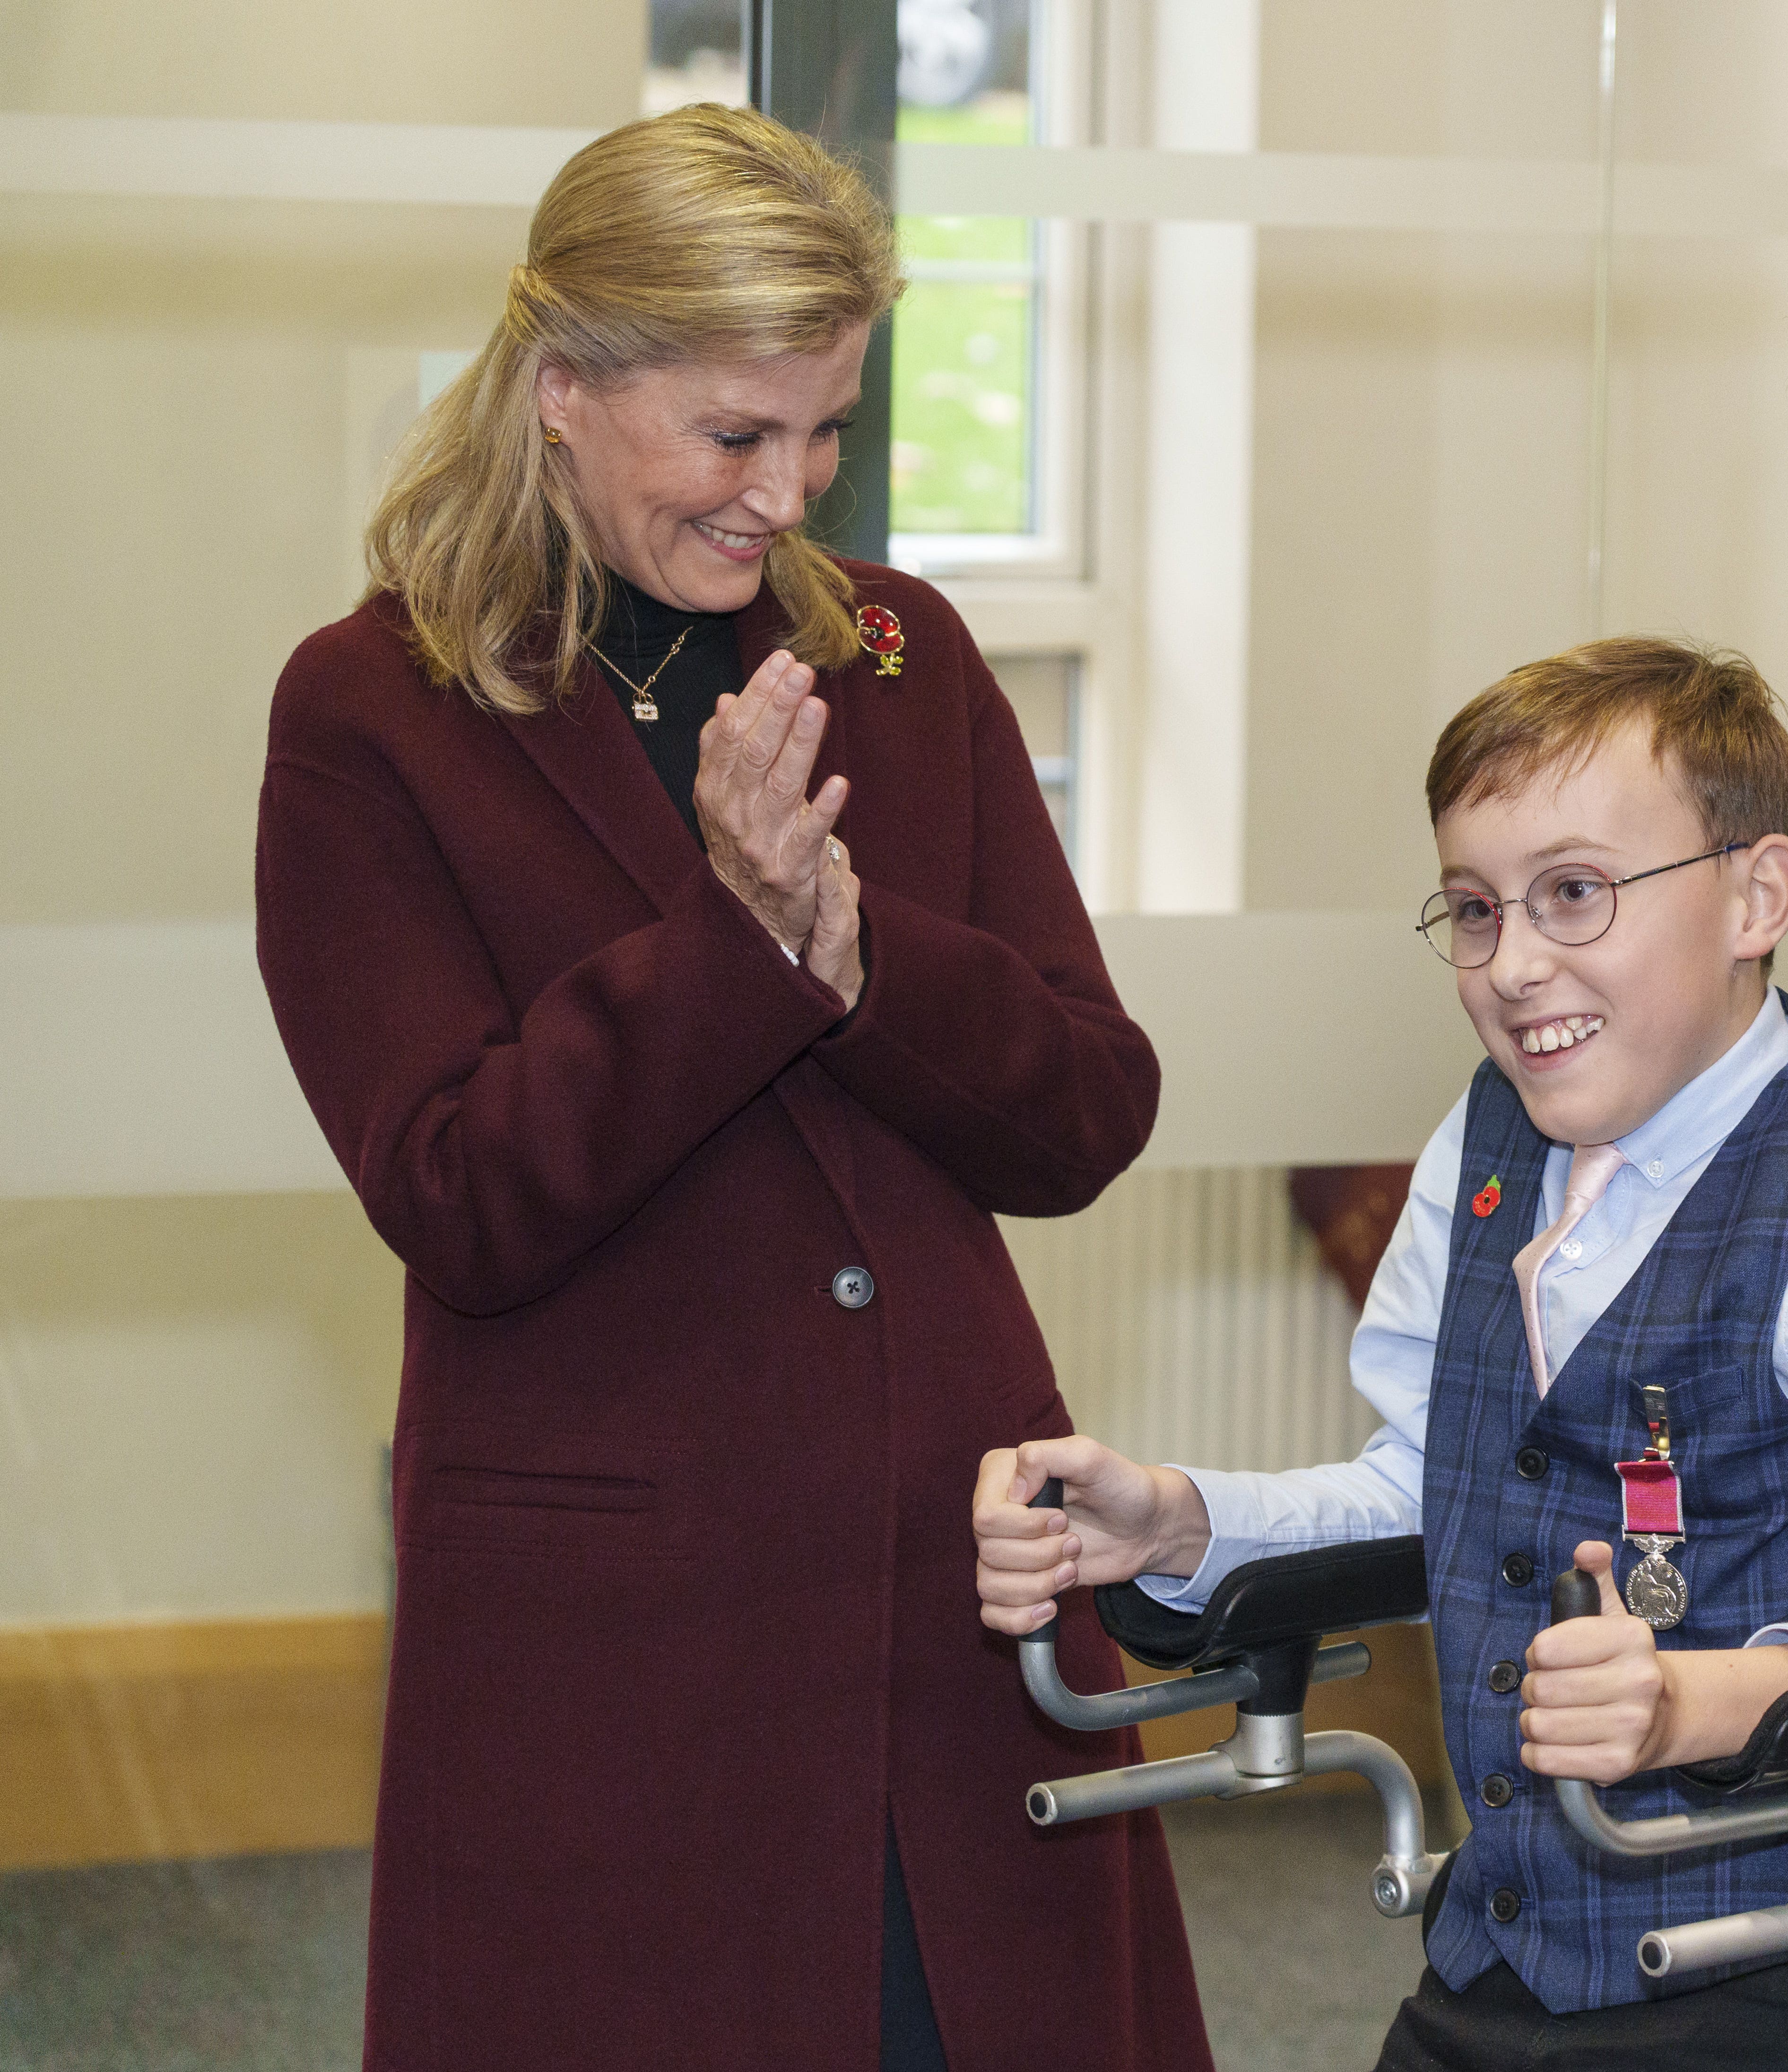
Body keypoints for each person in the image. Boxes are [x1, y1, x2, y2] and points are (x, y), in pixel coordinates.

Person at [254, 106, 1210, 2072]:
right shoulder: (375, 712)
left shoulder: (897, 651)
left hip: (953, 1586)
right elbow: (457, 1191)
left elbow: (1086, 1107)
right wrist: (737, 945)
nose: (791, 494)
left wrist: (852, 950)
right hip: (621, 1633)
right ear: (560, 393)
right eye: (733, 434)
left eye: (829, 428)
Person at [972, 638, 1788, 2070]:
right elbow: (1430, 1489)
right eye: (1472, 908)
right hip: (1508, 1946)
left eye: (1575, 894)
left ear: (1757, 896)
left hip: (1779, 1952)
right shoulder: (1492, 1140)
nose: (1514, 967)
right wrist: (1183, 1520)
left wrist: (1707, 1698)